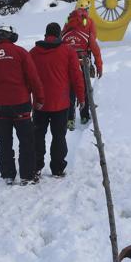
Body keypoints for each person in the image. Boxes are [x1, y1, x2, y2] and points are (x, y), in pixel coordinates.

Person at [0, 25, 44, 185]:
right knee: (26, 141)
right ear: (12, 35)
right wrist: (39, 99)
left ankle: (8, 174)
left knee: (4, 142)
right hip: (21, 104)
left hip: (0, 107)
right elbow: (34, 78)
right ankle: (27, 176)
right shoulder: (21, 52)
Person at [29, 22, 85, 177]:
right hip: (61, 104)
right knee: (59, 136)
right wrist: (81, 99)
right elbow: (77, 78)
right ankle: (58, 168)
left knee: (38, 135)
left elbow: (27, 78)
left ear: (46, 34)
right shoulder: (68, 52)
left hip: (39, 104)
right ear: (59, 34)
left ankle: (36, 166)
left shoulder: (33, 53)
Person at [62, 2, 103, 130]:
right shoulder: (89, 21)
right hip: (83, 62)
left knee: (70, 91)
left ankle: (69, 119)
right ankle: (84, 115)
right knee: (84, 89)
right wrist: (99, 65)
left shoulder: (68, 21)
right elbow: (94, 43)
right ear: (87, 10)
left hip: (68, 63)